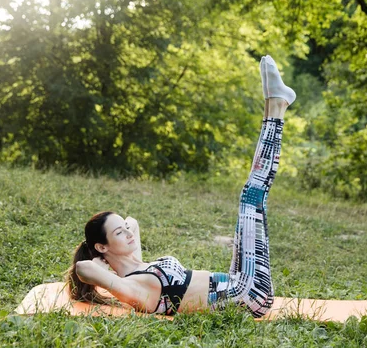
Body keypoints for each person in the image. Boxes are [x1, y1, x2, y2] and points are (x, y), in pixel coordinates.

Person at [67, 55, 296, 318]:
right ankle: (277, 106)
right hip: (250, 296)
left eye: (123, 231)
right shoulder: (131, 287)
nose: (128, 234)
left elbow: (133, 222)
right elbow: (85, 268)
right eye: (119, 233)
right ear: (101, 247)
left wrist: (116, 236)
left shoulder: (138, 264)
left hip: (238, 282)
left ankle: (274, 104)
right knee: (251, 196)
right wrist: (100, 262)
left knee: (250, 198)